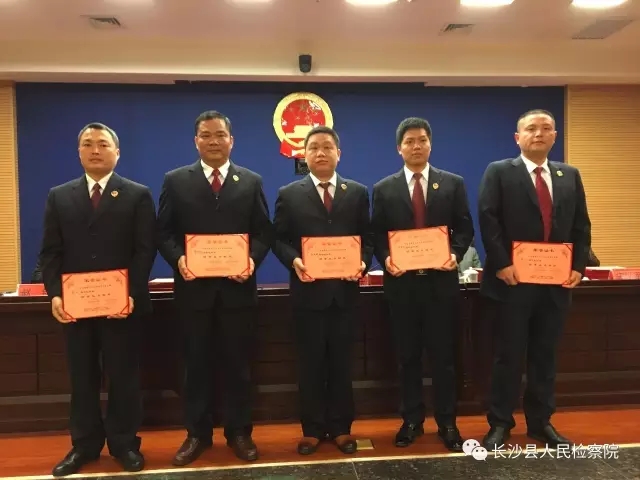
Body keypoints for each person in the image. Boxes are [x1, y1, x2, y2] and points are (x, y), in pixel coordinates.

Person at [39, 122, 157, 477]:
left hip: (123, 307)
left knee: (123, 377)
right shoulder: (59, 196)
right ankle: (84, 446)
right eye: (87, 144)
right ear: (78, 152)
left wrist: (132, 292)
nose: (95, 150)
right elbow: (50, 252)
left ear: (116, 152)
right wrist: (55, 294)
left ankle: (124, 444)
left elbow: (144, 250)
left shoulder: (137, 194)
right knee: (82, 379)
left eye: (103, 144)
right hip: (76, 309)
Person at [157, 110, 272, 465]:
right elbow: (163, 232)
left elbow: (264, 232)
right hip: (194, 294)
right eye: (206, 135)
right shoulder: (176, 181)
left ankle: (239, 433)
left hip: (238, 293)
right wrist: (179, 260)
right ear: (196, 141)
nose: (213, 141)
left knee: (238, 366)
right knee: (195, 366)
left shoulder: (250, 181)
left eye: (220, 135)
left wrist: (251, 260)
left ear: (231, 140)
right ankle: (197, 434)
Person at [478, 109, 591, 450]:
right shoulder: (500, 171)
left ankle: (541, 423)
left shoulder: (569, 175)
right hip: (512, 283)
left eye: (546, 128)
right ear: (518, 138)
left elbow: (581, 225)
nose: (538, 133)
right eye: (531, 128)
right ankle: (500, 423)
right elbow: (488, 219)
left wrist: (578, 266)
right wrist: (501, 264)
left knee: (545, 356)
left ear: (555, 136)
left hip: (555, 285)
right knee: (508, 356)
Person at [371, 117, 474, 452]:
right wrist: (386, 257)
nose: (416, 146)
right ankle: (411, 421)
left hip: (440, 286)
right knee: (408, 358)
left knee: (444, 359)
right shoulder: (384, 188)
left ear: (430, 144)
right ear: (399, 148)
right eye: (410, 141)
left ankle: (447, 423)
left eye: (422, 140)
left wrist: (455, 254)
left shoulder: (452, 183)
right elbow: (377, 234)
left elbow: (464, 228)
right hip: (402, 288)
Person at [272, 126, 374, 456]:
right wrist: (294, 261)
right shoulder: (289, 194)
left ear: (338, 154)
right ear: (304, 154)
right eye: (314, 147)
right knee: (310, 365)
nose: (321, 152)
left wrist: (362, 261)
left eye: (327, 147)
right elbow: (278, 239)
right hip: (308, 294)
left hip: (344, 294)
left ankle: (342, 428)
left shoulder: (356, 192)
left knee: (342, 365)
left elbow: (368, 237)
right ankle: (313, 429)